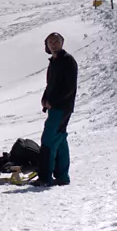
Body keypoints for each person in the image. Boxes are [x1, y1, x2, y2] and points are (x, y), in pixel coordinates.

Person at [34, 32, 78, 187]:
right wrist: (45, 99)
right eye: (50, 42)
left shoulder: (68, 61)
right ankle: (62, 176)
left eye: (56, 41)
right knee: (59, 138)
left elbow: (69, 87)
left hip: (62, 107)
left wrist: (53, 101)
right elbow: (51, 85)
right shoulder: (53, 61)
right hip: (56, 107)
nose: (53, 44)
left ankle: (45, 177)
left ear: (62, 43)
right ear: (46, 44)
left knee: (48, 139)